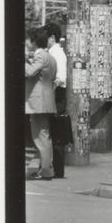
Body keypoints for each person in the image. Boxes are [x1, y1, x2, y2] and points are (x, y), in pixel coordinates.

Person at [23, 27, 58, 181]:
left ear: (34, 41)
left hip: (38, 101)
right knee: (43, 136)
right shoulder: (49, 57)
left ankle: (45, 171)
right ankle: (46, 169)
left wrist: (22, 59)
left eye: (28, 39)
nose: (26, 42)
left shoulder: (41, 57)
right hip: (45, 100)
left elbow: (29, 72)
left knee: (40, 138)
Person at [45, 24, 68, 180]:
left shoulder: (56, 54)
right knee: (53, 133)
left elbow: (60, 79)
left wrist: (48, 93)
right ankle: (53, 168)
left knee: (55, 134)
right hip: (56, 95)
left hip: (56, 95)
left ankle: (57, 170)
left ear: (52, 38)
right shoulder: (53, 52)